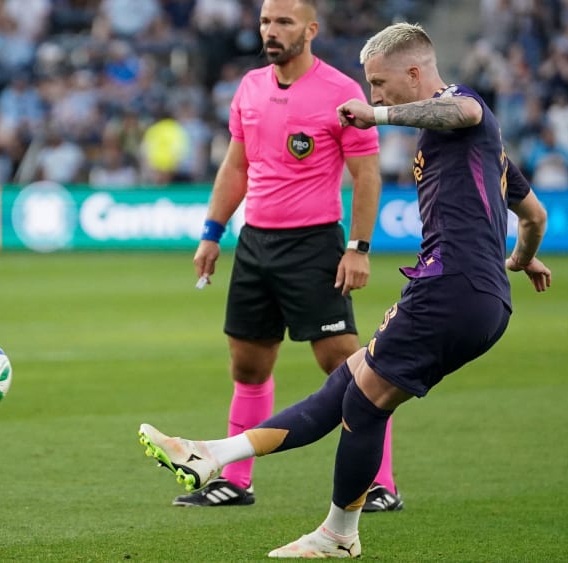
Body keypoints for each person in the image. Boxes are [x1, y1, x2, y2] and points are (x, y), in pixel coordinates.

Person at [138, 21, 552, 558]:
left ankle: (338, 533)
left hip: (451, 288)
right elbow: (534, 214)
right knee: (345, 386)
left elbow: (463, 111)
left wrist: (377, 118)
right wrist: (518, 258)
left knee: (364, 401)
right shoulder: (479, 145)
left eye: (379, 83)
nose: (374, 95)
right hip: (478, 296)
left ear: (414, 72)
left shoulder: (461, 109)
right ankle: (212, 455)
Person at [181, 0, 401, 511]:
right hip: (255, 244)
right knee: (248, 365)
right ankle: (236, 481)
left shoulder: (341, 92)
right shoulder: (250, 87)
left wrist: (358, 248)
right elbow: (236, 166)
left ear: (311, 29)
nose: (271, 31)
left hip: (314, 244)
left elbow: (366, 175)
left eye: (283, 22)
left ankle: (380, 484)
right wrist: (212, 233)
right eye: (265, 21)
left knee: (344, 363)